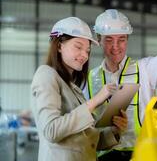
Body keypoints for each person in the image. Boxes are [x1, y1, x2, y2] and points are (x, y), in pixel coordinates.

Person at [84, 9, 157, 161]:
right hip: (104, 156)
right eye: (108, 40)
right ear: (98, 40)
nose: (115, 46)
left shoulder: (144, 69)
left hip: (142, 153)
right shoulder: (89, 80)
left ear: (127, 39)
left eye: (121, 39)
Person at [31, 17, 128, 161]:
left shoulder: (72, 87)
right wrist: (95, 101)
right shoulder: (46, 74)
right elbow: (51, 131)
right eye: (78, 47)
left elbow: (85, 141)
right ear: (59, 46)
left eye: (87, 51)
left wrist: (115, 131)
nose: (84, 55)